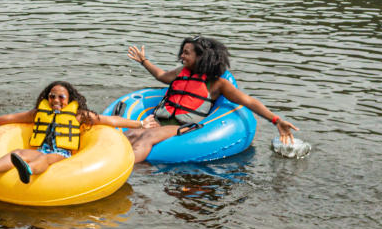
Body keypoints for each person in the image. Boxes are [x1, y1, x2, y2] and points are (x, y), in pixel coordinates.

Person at [124, 36, 298, 162]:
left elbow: (249, 102)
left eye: (186, 53)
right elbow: (161, 76)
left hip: (183, 128)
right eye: (182, 52)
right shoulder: (180, 73)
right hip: (161, 121)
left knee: (148, 137)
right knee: (130, 133)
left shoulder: (217, 84)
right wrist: (144, 61)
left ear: (201, 57)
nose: (181, 56)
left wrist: (276, 121)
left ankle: (126, 170)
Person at [0, 80, 155, 186]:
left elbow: (111, 120)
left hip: (62, 154)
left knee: (45, 160)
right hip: (40, 149)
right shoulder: (38, 114)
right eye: (51, 96)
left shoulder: (80, 115)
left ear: (69, 99)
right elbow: (11, 118)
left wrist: (140, 124)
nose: (55, 99)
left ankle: (28, 171)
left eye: (61, 97)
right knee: (17, 153)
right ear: (46, 98)